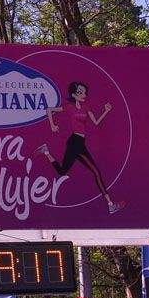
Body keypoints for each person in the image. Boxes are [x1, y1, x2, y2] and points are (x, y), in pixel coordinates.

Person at [36, 80, 124, 213]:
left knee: (62, 171)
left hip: (79, 142)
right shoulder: (69, 107)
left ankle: (46, 151)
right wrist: (52, 125)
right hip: (75, 142)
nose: (83, 94)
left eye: (84, 92)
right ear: (74, 94)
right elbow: (49, 109)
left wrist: (105, 111)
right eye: (80, 92)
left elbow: (96, 122)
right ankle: (110, 204)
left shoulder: (86, 107)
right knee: (96, 172)